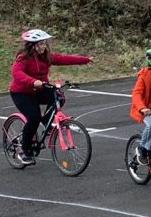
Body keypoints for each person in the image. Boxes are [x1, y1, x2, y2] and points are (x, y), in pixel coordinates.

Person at [9, 29, 94, 165]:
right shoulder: (23, 58)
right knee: (33, 117)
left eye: (44, 44)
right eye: (40, 44)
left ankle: (46, 122)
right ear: (32, 45)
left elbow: (62, 59)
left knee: (59, 97)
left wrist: (84, 60)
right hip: (22, 93)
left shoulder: (45, 56)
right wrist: (33, 81)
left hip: (39, 89)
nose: (43, 46)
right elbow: (16, 72)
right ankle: (24, 150)